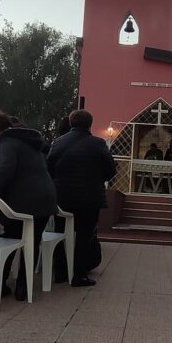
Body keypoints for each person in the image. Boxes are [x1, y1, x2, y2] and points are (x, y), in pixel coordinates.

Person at [0, 111, 57, 301]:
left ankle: (1, 284)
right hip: (45, 196)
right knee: (32, 241)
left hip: (21, 200)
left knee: (10, 240)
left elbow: (4, 172)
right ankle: (23, 287)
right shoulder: (27, 140)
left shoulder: (7, 143)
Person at [47, 110, 116, 287]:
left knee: (61, 233)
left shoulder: (58, 142)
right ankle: (79, 275)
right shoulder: (98, 143)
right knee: (84, 236)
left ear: (71, 123)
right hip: (89, 198)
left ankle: (61, 272)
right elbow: (111, 170)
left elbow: (49, 168)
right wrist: (96, 178)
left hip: (62, 197)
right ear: (89, 124)